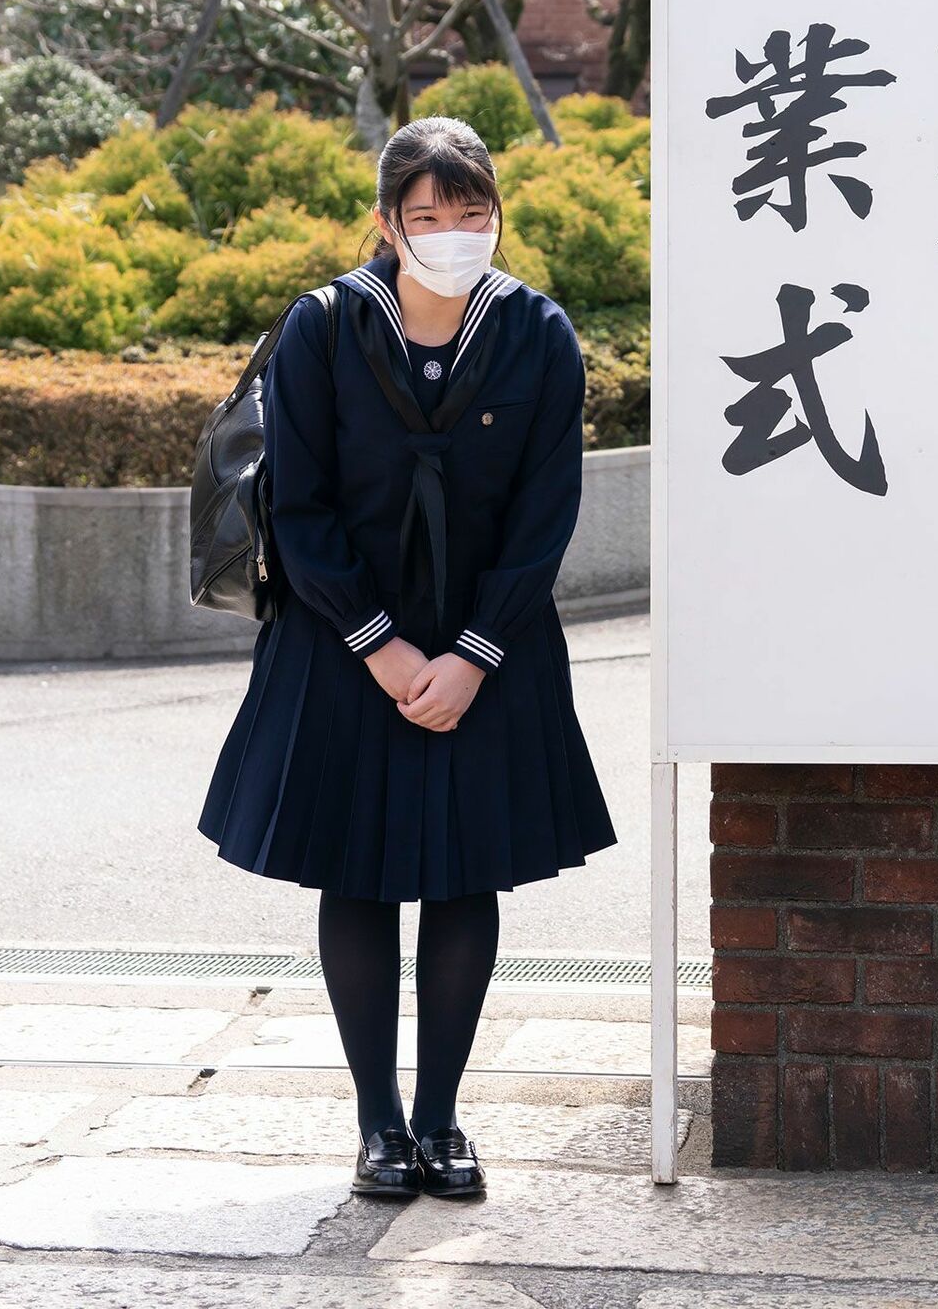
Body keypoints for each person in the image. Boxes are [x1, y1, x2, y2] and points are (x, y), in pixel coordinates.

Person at [196, 114, 619, 1200]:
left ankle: (441, 1120)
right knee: (360, 871)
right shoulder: (325, 326)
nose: (452, 231)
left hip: (491, 644)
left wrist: (472, 654)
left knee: (464, 872)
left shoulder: (537, 331)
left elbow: (545, 513)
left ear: (497, 215)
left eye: (471, 211)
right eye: (427, 215)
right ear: (387, 223)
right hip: (343, 644)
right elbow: (300, 504)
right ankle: (379, 1125)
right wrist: (380, 647)